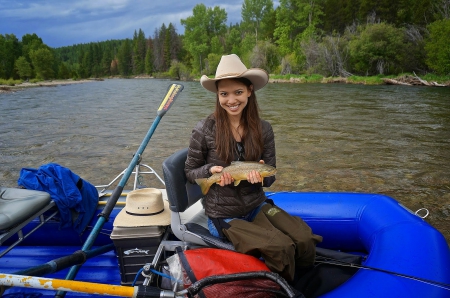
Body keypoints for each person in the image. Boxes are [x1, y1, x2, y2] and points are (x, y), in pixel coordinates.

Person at [185, 54, 322, 282]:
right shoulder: (204, 129)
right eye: (224, 94)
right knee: (280, 247)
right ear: (217, 95)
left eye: (238, 92)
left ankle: (305, 281)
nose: (231, 100)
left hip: (256, 205)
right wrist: (210, 171)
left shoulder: (264, 129)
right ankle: (280, 289)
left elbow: (270, 176)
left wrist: (261, 177)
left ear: (249, 91)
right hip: (224, 215)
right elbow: (190, 172)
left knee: (304, 237)